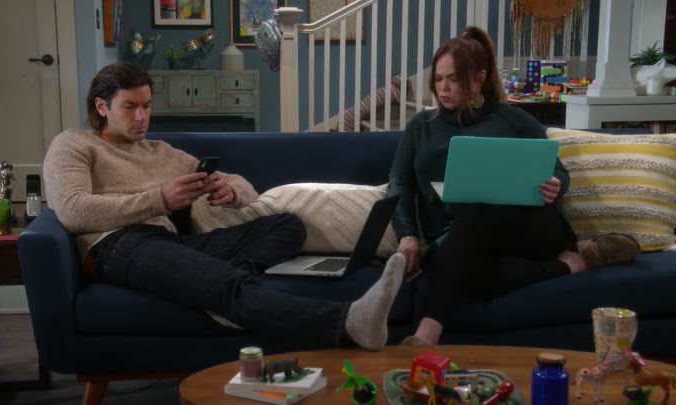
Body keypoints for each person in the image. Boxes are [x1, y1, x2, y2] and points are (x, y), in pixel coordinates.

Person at [43, 61, 404, 351]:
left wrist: (229, 191)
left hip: (170, 244)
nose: (141, 117)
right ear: (102, 106)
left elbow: (245, 187)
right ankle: (347, 322)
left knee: (287, 225)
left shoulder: (161, 152)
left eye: (147, 106)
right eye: (130, 107)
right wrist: (159, 200)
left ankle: (209, 285)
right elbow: (72, 210)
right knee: (228, 284)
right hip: (115, 245)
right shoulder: (74, 145)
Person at [388, 27, 640, 347]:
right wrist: (407, 234)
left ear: (479, 79)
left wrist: (555, 184)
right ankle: (574, 263)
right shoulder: (420, 127)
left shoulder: (513, 120)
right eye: (438, 79)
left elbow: (558, 171)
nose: (443, 88)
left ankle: (426, 335)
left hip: (529, 229)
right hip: (455, 239)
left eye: (453, 79)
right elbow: (399, 182)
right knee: (467, 272)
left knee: (475, 216)